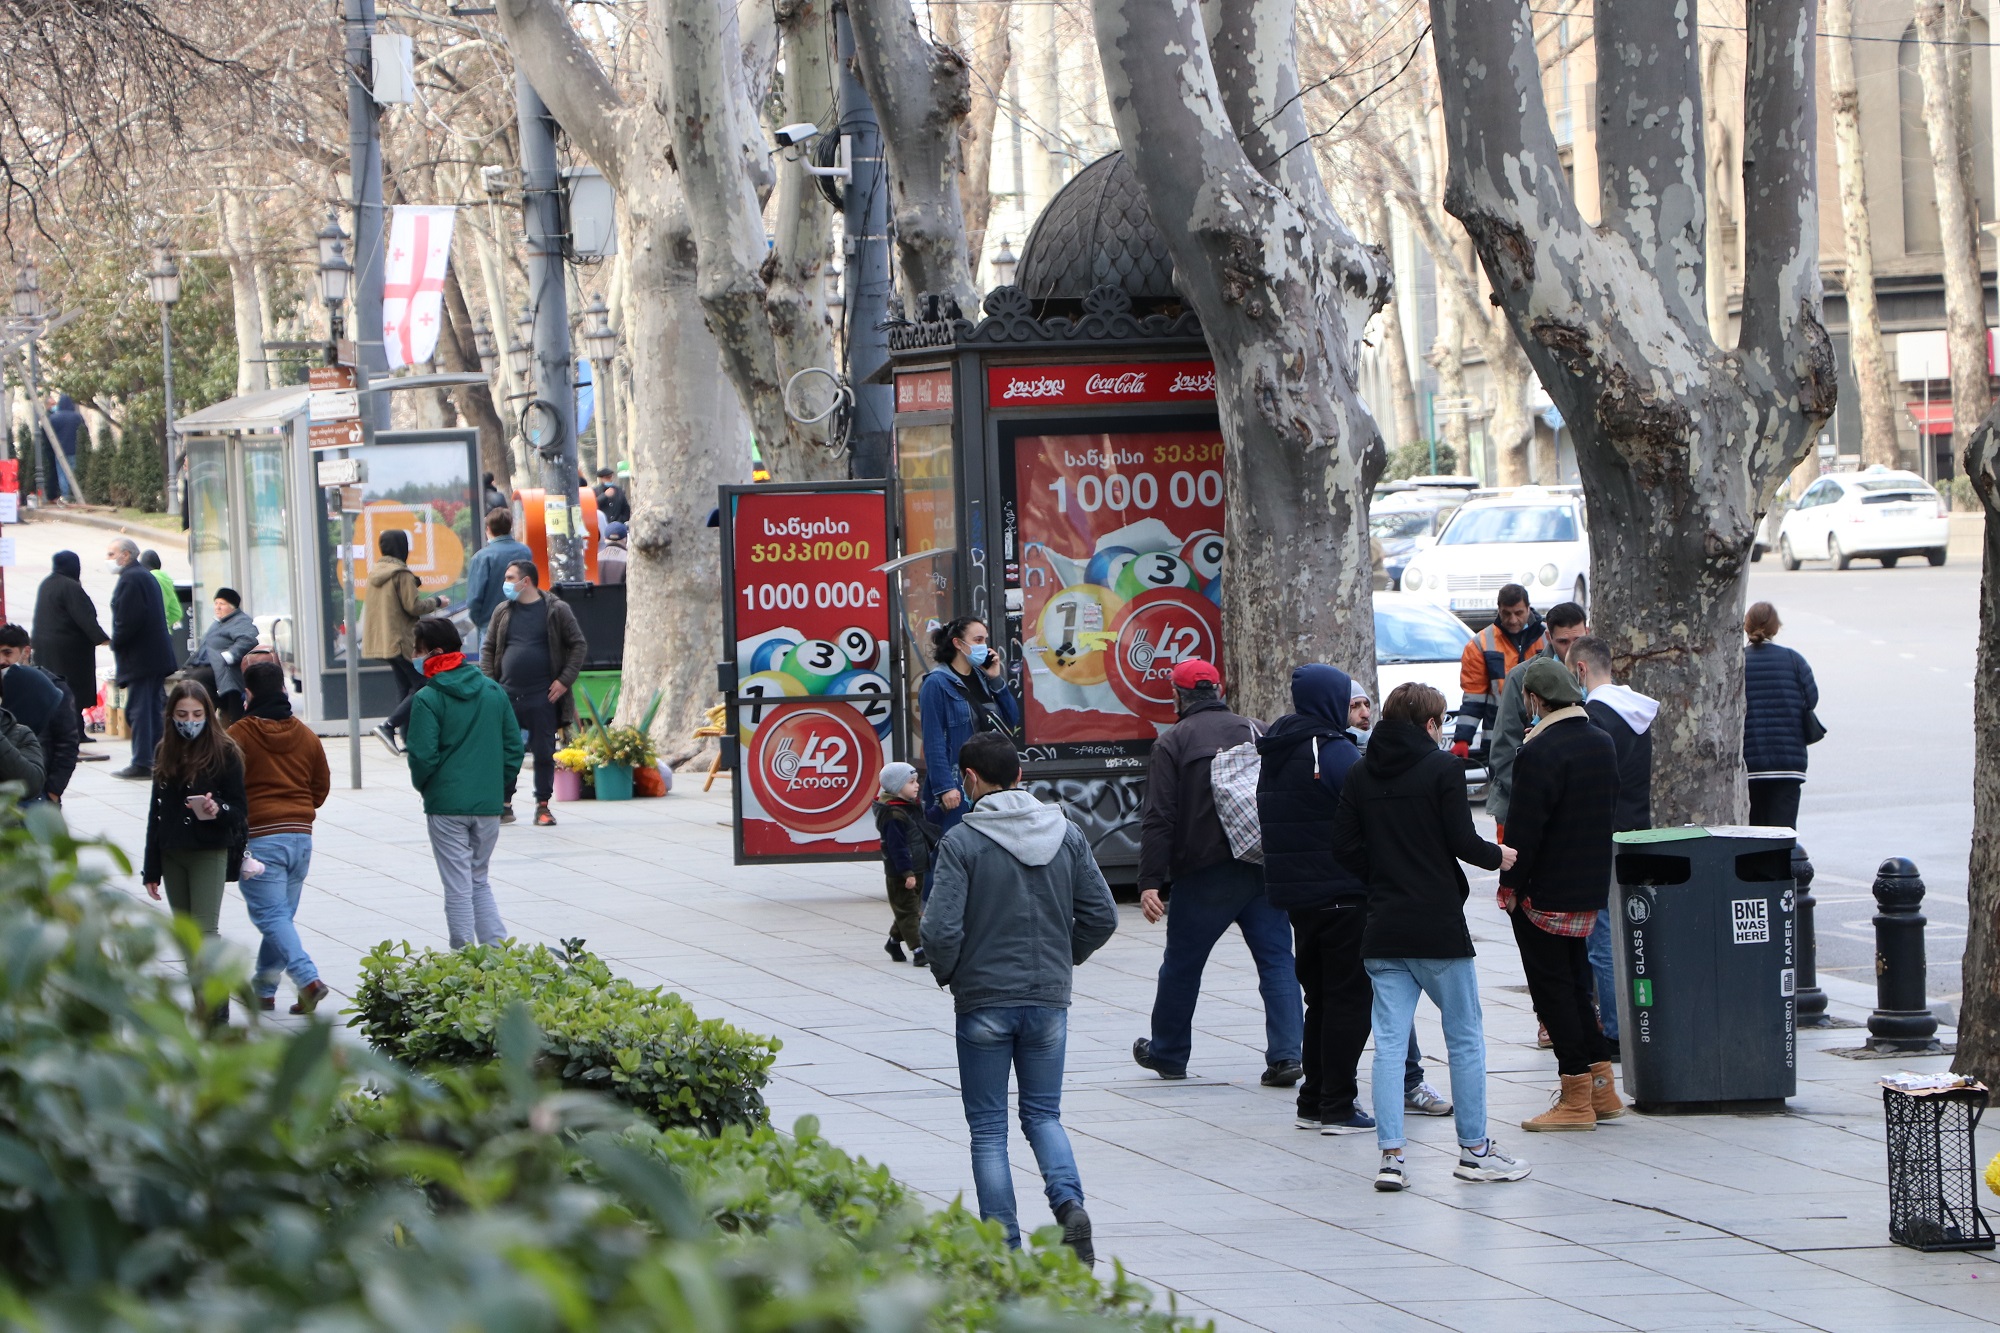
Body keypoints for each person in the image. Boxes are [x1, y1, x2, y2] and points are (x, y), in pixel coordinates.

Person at [922, 731, 1116, 1263]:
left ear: (970, 779)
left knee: (988, 1129)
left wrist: (955, 974)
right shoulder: (1068, 834)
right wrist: (1062, 959)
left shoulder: (961, 843)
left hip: (983, 1000)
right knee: (1043, 1115)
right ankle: (1069, 1205)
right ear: (1021, 777)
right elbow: (1102, 916)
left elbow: (938, 932)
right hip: (1048, 1000)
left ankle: (1003, 1248)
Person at [1331, 682, 1529, 1193]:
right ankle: (1475, 1150)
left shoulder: (1359, 772)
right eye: (1441, 722)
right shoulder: (1442, 769)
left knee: (1390, 1046)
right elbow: (1461, 839)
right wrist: (1498, 857)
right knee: (1464, 1037)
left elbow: (1345, 848)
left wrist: (1382, 875)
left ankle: (1391, 1157)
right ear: (1429, 725)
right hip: (1437, 926)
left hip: (1384, 926)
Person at [1133, 658, 1303, 1086]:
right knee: (1278, 961)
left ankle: (1169, 1053)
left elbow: (1159, 817)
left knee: (1182, 964)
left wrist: (1151, 880)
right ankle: (1287, 1055)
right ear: (1219, 690)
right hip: (1262, 865)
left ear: (1178, 695)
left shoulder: (1173, 742)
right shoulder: (1259, 729)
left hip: (1204, 871)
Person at [1500, 658, 1623, 1131]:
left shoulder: (1540, 750)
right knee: (1577, 987)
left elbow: (1525, 831)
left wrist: (1510, 886)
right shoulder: (1602, 741)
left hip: (1543, 891)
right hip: (1587, 886)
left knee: (1553, 993)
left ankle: (1574, 1096)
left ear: (1535, 699)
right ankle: (1602, 1089)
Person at [406, 616, 520, 947]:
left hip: (446, 806)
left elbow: (422, 757)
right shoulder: (492, 690)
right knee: (478, 880)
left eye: (418, 649)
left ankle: (464, 958)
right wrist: (498, 789)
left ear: (435, 651)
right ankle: (497, 953)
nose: (415, 655)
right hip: (487, 805)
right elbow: (513, 747)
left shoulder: (428, 698)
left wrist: (428, 787)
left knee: (458, 885)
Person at [230, 658, 332, 1015]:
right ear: (284, 691)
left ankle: (308, 980)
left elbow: (226, 784)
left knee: (271, 917)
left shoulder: (239, 735)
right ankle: (263, 990)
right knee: (280, 917)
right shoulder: (306, 735)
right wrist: (299, 809)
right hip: (300, 839)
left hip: (260, 840)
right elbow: (320, 787)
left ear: (249, 694)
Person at [141, 681, 247, 1023]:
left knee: (204, 932)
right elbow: (155, 813)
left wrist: (218, 810)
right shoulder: (164, 751)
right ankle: (202, 1005)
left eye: (197, 714)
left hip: (208, 850)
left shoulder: (225, 751)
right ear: (171, 715)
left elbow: (240, 810)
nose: (190, 721)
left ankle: (216, 1008)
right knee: (186, 936)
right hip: (173, 852)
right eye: (182, 714)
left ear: (209, 714)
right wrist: (151, 869)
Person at [1572, 635, 1656, 1053]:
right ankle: (1640, 1017)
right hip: (1637, 830)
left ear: (1582, 669)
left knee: (1601, 937)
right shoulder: (1638, 712)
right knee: (1637, 932)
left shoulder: (1593, 717)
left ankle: (1614, 1031)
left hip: (1603, 835)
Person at [480, 561, 587, 826]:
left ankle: (543, 806)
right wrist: (491, 686)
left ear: (525, 581)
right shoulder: (502, 611)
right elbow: (488, 649)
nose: (505, 583)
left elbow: (578, 645)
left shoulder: (556, 610)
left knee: (543, 751)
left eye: (509, 577)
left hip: (544, 696)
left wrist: (564, 681)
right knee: (506, 751)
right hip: (506, 695)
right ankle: (504, 805)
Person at [1485, 601, 1589, 836]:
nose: (1571, 650)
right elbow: (1503, 751)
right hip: (1531, 807)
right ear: (1548, 637)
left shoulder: (1598, 674)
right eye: (1563, 642)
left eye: (1578, 641)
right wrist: (1538, 797)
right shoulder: (1520, 677)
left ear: (1588, 633)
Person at [918, 617, 1020, 835]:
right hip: (959, 784)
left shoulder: (983, 678)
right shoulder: (936, 683)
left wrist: (996, 680)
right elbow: (934, 741)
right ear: (958, 643)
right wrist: (945, 788)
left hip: (991, 782)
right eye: (978, 639)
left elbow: (1011, 720)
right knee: (957, 847)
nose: (984, 646)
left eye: (985, 640)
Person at [364, 528, 447, 755]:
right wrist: (437, 601)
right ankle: (388, 726)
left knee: (406, 687)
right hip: (401, 639)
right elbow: (413, 606)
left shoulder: (377, 573)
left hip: (383, 641)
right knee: (423, 684)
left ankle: (409, 739)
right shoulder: (401, 574)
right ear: (403, 548)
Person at [1742, 602, 1818, 829]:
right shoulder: (1794, 660)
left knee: (1752, 834)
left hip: (1749, 763)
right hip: (1788, 763)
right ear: (1776, 628)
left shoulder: (1736, 661)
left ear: (1746, 627)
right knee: (1783, 835)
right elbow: (1811, 700)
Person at [1451, 585, 1547, 762]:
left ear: (1528, 608)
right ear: (1498, 610)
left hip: (1542, 735)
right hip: (1499, 740)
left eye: (1518, 613)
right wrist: (1463, 738)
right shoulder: (1481, 644)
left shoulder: (1547, 637)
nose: (1512, 620)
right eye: (1506, 613)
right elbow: (1474, 696)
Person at [107, 537, 176, 779]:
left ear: (126, 555)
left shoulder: (132, 578)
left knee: (141, 710)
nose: (109, 560)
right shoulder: (143, 576)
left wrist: (116, 642)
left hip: (142, 659)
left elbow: (128, 620)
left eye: (111, 554)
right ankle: (157, 758)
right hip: (153, 657)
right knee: (152, 709)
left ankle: (143, 761)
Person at [0, 626, 75, 804]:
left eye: (7, 652)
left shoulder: (51, 689)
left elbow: (68, 742)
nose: (2, 660)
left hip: (39, 786)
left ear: (26, 651)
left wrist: (53, 790)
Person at [873, 761, 938, 965]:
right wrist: (906, 873)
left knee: (905, 909)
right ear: (896, 786)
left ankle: (893, 942)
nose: (916, 785)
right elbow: (897, 848)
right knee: (909, 911)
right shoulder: (893, 815)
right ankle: (919, 950)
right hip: (901, 873)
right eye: (911, 782)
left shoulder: (909, 807)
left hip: (916, 868)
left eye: (916, 781)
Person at [32, 550, 108, 726]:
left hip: (46, 650)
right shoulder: (70, 586)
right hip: (70, 653)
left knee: (55, 691)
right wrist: (102, 639)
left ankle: (72, 730)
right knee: (74, 692)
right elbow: (84, 616)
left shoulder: (47, 583)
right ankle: (76, 732)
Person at [189, 588, 260, 721]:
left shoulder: (240, 621)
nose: (217, 607)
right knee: (190, 681)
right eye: (216, 603)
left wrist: (230, 655)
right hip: (208, 665)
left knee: (199, 678)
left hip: (226, 668)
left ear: (232, 607)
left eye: (222, 604)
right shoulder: (219, 622)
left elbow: (249, 639)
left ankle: (207, 717)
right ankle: (205, 715)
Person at [465, 508, 535, 631]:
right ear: (510, 527)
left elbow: (474, 599)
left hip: (491, 624)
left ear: (488, 529)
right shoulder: (525, 552)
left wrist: (481, 622)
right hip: (523, 622)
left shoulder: (481, 557)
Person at [45, 393, 83, 500]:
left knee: (62, 473)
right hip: (74, 449)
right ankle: (75, 493)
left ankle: (65, 495)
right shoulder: (77, 417)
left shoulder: (54, 418)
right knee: (73, 471)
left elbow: (47, 435)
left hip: (60, 450)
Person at [139, 549, 185, 631]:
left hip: (147, 634)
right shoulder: (166, 581)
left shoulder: (145, 580)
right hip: (164, 633)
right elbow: (177, 612)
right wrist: (164, 623)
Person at [598, 521, 629, 585]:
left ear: (605, 539)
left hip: (597, 595)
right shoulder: (629, 559)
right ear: (625, 539)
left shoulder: (595, 558)